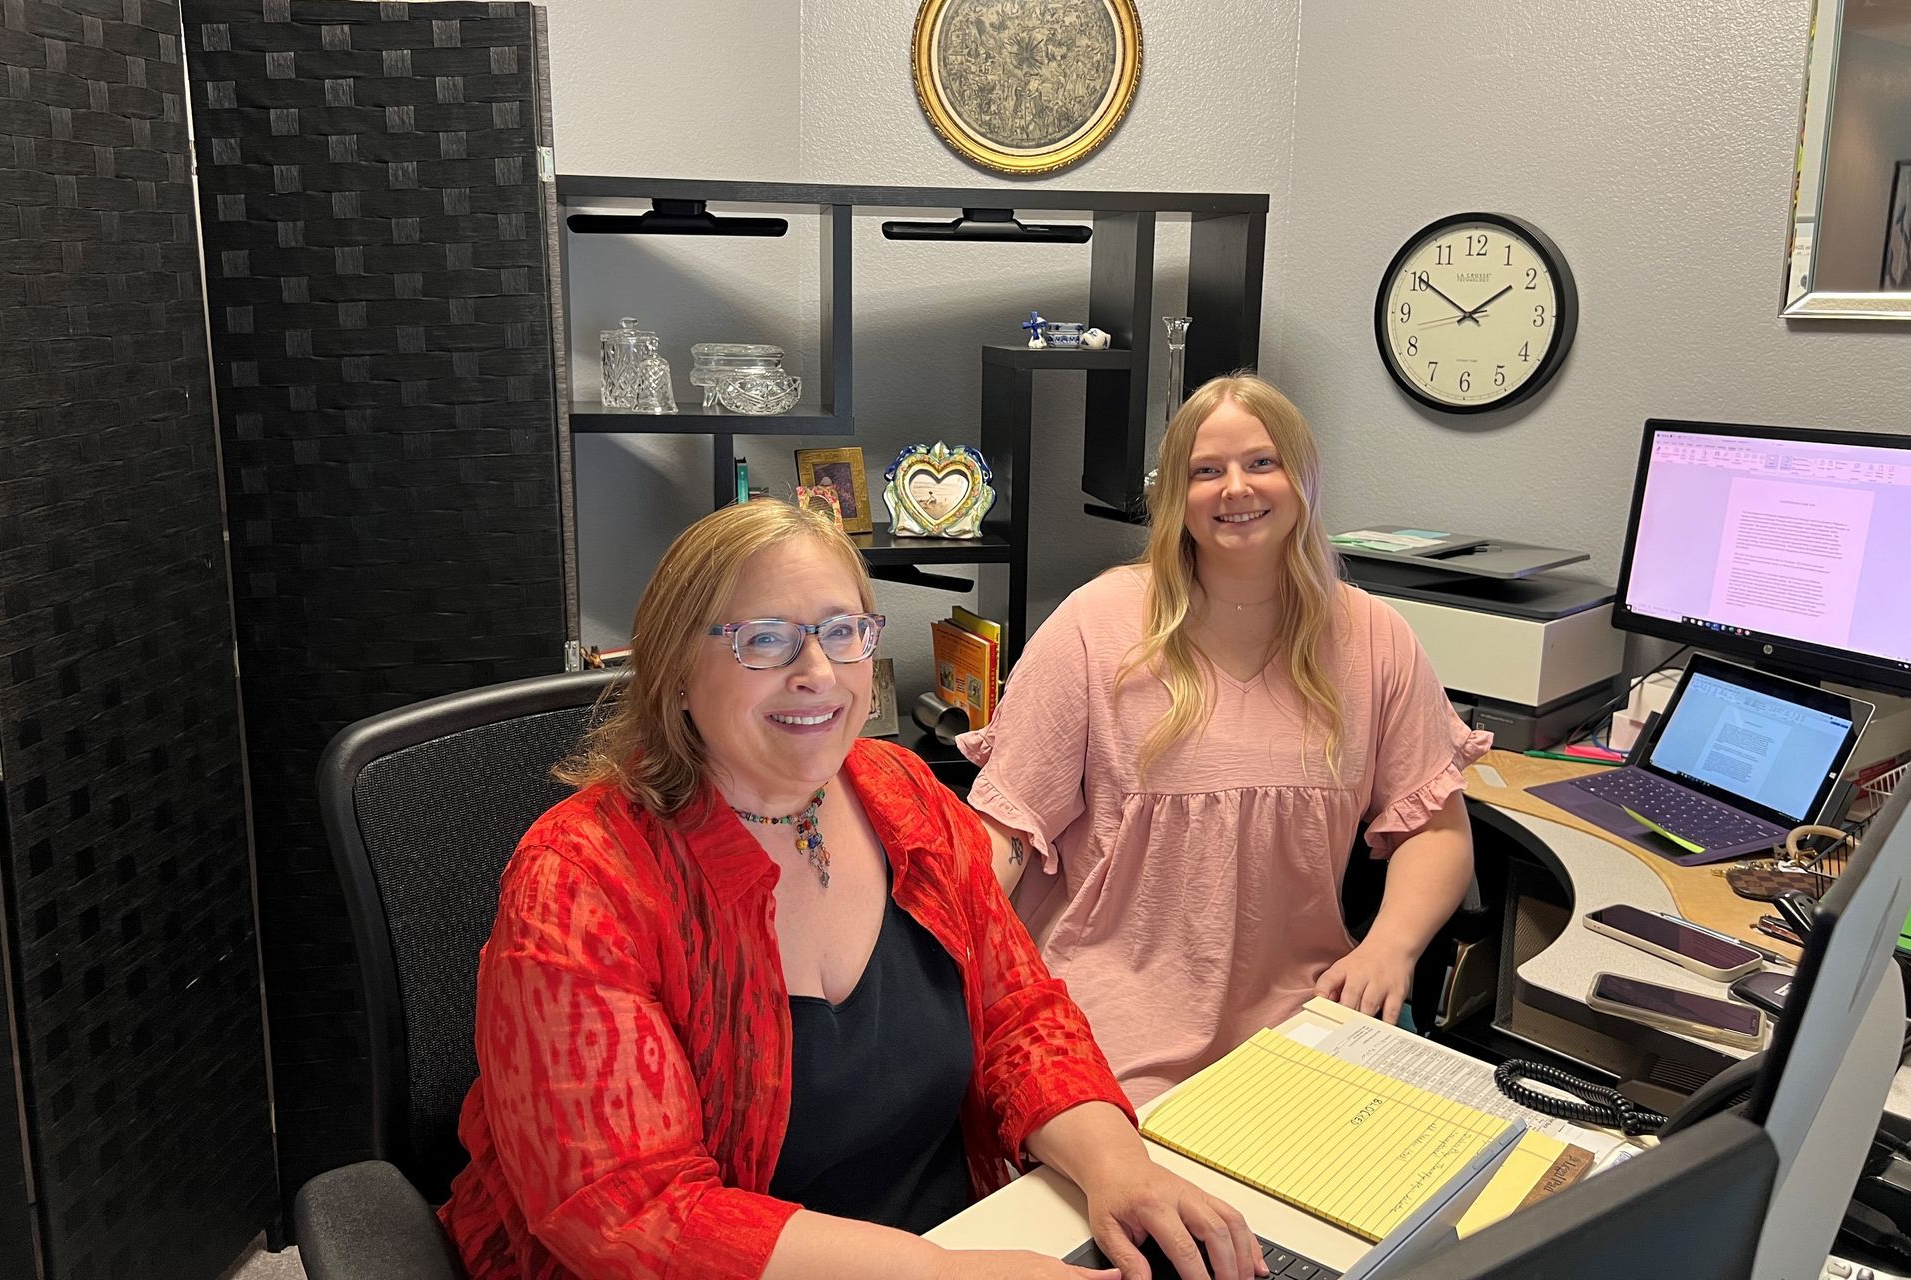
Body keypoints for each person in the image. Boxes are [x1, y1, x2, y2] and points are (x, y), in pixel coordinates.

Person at [440, 501, 1267, 1280]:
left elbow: (1018, 1014)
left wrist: (1120, 1168)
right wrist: (940, 1274)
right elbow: (633, 1213)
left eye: (843, 633)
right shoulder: (582, 879)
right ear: (675, 672)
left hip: (957, 1239)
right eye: (765, 639)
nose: (817, 672)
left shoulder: (899, 790)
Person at [963, 374, 1488, 1106]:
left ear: (1302, 478)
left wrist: (1389, 948)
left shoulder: (1375, 638)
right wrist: (947, 980)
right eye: (1206, 471)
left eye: (1261, 463)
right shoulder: (1097, 624)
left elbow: (1434, 828)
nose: (1235, 488)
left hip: (1301, 1014)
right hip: (1108, 1020)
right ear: (1176, 497)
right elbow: (1006, 828)